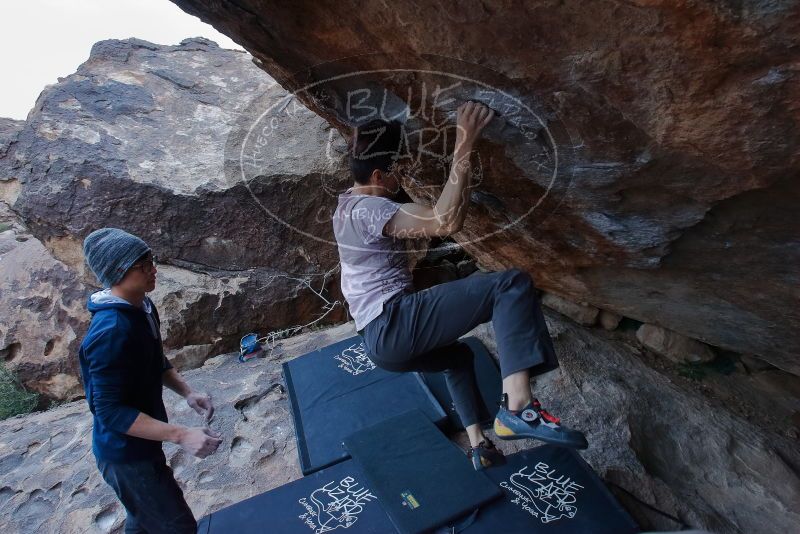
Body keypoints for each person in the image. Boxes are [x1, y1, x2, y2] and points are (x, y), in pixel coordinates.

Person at [332, 101, 588, 471]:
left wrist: (370, 135)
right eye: (396, 172)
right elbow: (446, 221)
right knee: (510, 284)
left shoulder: (345, 207)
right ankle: (517, 408)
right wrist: (464, 141)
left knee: (458, 358)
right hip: (394, 322)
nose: (401, 178)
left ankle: (479, 445)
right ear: (378, 175)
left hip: (379, 345)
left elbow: (416, 203)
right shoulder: (372, 209)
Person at [78, 228, 222, 533]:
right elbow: (108, 411)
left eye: (151, 261)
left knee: (144, 519)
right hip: (125, 454)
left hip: (143, 441)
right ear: (118, 272)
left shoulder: (141, 305)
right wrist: (182, 434)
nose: (152, 269)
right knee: (177, 526)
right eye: (142, 266)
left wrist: (187, 391)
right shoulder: (111, 332)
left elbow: (153, 361)